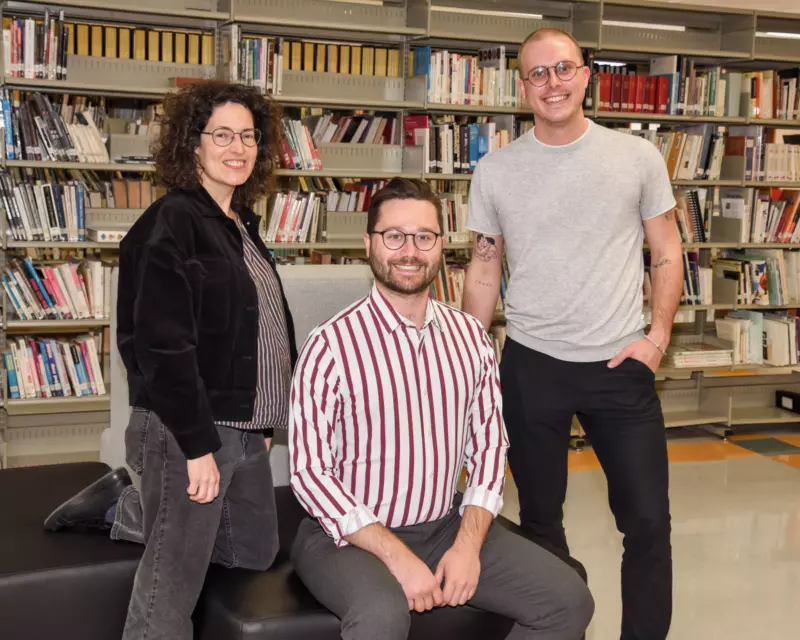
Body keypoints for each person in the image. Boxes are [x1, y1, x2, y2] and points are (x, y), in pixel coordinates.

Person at [43, 82, 297, 640]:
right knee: (170, 584)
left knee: (255, 552)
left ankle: (129, 507)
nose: (238, 147)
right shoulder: (170, 223)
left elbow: (255, 326)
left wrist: (263, 419)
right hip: (187, 427)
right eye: (221, 135)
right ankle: (141, 509)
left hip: (244, 427)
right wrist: (197, 445)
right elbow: (161, 347)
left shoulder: (241, 222)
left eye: (248, 136)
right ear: (193, 144)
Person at [288, 177, 594, 640]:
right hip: (345, 538)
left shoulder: (471, 338)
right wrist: (396, 556)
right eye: (394, 236)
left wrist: (468, 545)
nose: (409, 251)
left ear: (442, 246)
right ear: (368, 243)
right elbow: (310, 472)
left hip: (445, 524)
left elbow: (490, 447)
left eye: (424, 237)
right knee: (382, 617)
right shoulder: (329, 345)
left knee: (568, 602)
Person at [462, 28, 683, 640]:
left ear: (586, 75)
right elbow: (484, 269)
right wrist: (471, 359)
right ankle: (559, 629)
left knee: (647, 523)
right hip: (533, 367)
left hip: (622, 365)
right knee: (538, 521)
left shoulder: (635, 157)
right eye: (538, 73)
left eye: (563, 69)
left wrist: (657, 339)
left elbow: (666, 248)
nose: (552, 83)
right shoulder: (497, 169)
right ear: (523, 86)